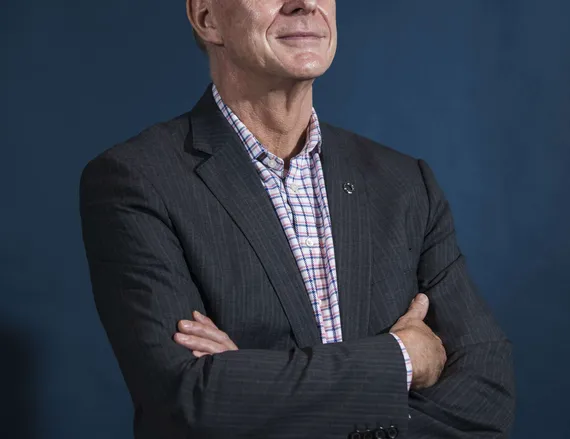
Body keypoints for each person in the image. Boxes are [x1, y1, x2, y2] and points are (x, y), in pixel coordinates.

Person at [79, 0, 515, 438]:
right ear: (206, 18)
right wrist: (400, 359)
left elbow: (487, 394)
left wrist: (254, 384)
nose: (304, 3)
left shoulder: (405, 183)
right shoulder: (138, 181)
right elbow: (191, 401)